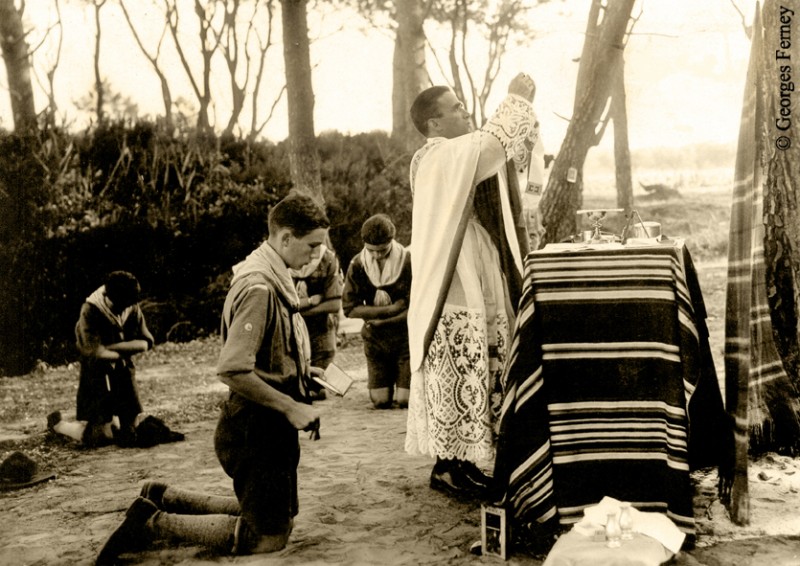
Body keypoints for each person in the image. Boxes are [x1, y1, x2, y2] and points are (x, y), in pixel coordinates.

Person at [95, 192, 328, 564]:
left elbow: (266, 350)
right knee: (266, 538)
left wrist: (300, 371)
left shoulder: (272, 274)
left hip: (268, 424)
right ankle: (151, 523)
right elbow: (232, 368)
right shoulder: (260, 287)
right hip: (256, 428)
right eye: (312, 245)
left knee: (281, 517)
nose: (317, 254)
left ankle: (163, 495)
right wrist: (290, 406)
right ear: (285, 238)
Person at [404, 73, 539, 498]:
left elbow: (495, 154)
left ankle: (461, 463)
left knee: (474, 368)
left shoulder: (451, 155)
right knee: (458, 371)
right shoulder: (436, 157)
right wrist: (516, 101)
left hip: (470, 267)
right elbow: (489, 147)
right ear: (434, 123)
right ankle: (447, 467)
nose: (465, 112)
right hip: (450, 286)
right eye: (456, 107)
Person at [48, 271, 154, 448]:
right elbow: (94, 351)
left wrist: (111, 348)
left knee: (131, 430)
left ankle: (114, 422)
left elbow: (145, 342)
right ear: (106, 295)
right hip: (96, 371)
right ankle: (59, 425)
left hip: (122, 368)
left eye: (127, 305)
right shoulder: (91, 309)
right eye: (119, 305)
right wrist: (125, 348)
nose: (123, 309)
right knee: (98, 438)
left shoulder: (131, 306)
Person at [342, 213, 412, 409]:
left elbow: (415, 307)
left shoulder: (408, 261)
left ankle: (403, 380)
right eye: (372, 251)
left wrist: (381, 320)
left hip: (404, 337)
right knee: (380, 401)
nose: (377, 256)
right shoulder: (358, 264)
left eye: (383, 250)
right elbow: (349, 308)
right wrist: (390, 309)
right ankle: (388, 381)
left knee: (405, 400)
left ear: (392, 241)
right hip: (375, 338)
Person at [290, 242, 343, 400]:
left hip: (321, 329)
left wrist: (297, 310)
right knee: (293, 389)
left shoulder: (328, 258)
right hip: (291, 330)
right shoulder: (283, 258)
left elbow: (334, 304)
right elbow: (280, 305)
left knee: (318, 391)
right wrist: (310, 302)